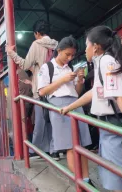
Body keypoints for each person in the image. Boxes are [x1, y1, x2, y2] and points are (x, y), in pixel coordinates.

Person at [60, 25, 122, 192]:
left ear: (96, 47)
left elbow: (119, 96)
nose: (85, 50)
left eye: (87, 45)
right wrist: (69, 107)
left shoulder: (107, 62)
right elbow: (94, 93)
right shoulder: (102, 62)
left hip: (115, 126)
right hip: (108, 129)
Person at [37, 36, 92, 184]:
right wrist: (62, 79)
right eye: (67, 54)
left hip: (75, 102)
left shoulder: (70, 68)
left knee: (82, 144)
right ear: (59, 50)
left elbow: (77, 91)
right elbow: (42, 91)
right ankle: (79, 181)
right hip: (58, 104)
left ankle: (87, 179)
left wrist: (80, 80)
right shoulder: (47, 67)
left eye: (72, 55)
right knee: (70, 146)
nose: (70, 57)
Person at [6, 19, 59, 159]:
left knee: (41, 120)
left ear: (36, 33)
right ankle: (55, 149)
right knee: (53, 119)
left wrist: (11, 53)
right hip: (56, 88)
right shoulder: (56, 45)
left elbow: (24, 64)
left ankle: (36, 149)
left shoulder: (37, 44)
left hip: (41, 88)